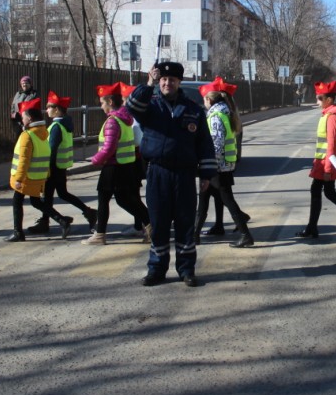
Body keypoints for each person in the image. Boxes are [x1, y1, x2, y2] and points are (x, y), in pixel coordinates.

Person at [126, 62, 216, 287]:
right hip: (158, 173)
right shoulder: (150, 106)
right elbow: (131, 105)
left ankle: (186, 269)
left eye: (172, 80)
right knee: (159, 223)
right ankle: (156, 269)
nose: (167, 83)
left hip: (184, 174)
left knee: (185, 223)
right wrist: (149, 83)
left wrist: (206, 174)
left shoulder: (193, 109)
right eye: (164, 79)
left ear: (179, 82)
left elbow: (205, 143)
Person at [85, 82, 151, 246]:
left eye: (102, 103)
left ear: (110, 102)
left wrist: (96, 159)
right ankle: (151, 226)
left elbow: (109, 147)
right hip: (125, 166)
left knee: (103, 199)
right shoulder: (125, 119)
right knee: (125, 200)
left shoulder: (113, 121)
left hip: (113, 167)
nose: (101, 106)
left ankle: (100, 234)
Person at [194, 77, 256, 249]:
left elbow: (215, 144)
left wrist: (207, 165)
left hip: (216, 166)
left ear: (209, 99)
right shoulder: (225, 112)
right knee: (209, 198)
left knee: (223, 200)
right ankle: (201, 233)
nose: (203, 103)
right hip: (223, 165)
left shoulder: (215, 116)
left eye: (204, 100)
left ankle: (245, 235)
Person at [27, 91, 97, 236]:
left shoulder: (56, 127)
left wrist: (45, 169)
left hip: (53, 167)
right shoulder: (65, 124)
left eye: (49, 107)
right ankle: (87, 212)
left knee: (49, 195)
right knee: (60, 194)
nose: (47, 109)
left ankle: (51, 221)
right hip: (61, 166)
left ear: (57, 109)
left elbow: (51, 150)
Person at [6, 99, 71, 242]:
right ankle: (62, 221)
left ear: (29, 118)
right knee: (36, 202)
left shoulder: (27, 135)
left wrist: (19, 179)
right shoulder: (43, 133)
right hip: (38, 175)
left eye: (23, 117)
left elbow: (24, 160)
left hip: (26, 176)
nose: (22, 120)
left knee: (17, 201)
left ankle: (18, 232)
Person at [295, 80, 336, 239]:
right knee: (327, 192)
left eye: (320, 98)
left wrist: (327, 170)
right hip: (325, 162)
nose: (317, 101)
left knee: (325, 192)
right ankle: (312, 227)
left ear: (329, 99)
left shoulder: (332, 117)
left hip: (327, 163)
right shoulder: (329, 114)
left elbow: (332, 145)